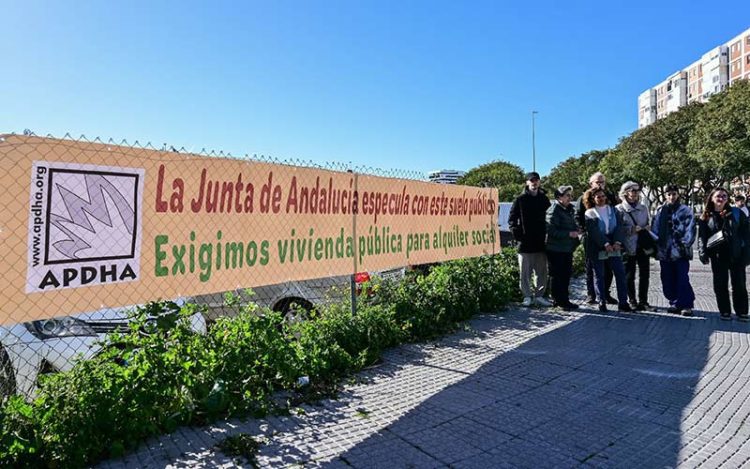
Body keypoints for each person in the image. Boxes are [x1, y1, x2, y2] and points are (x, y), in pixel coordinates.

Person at [697, 188, 750, 321]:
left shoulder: (736, 213)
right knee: (720, 284)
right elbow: (702, 237)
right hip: (718, 255)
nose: (721, 198)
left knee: (739, 284)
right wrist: (703, 253)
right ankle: (725, 311)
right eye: (718, 196)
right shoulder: (705, 216)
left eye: (724, 196)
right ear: (712, 198)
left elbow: (746, 233)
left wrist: (747, 253)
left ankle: (742, 312)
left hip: (736, 253)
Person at [583, 187, 631, 312]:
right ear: (593, 199)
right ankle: (601, 301)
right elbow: (593, 231)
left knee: (620, 273)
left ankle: (623, 302)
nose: (601, 199)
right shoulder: (590, 213)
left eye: (603, 196)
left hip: (614, 244)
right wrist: (605, 244)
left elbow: (619, 227)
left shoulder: (613, 210)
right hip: (597, 246)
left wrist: (617, 242)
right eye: (598, 197)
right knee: (599, 275)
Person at [651, 185, 696, 316]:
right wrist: (656, 243)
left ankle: (686, 304)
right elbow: (655, 227)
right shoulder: (660, 210)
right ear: (665, 195)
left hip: (680, 251)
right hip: (664, 251)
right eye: (669, 194)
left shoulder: (685, 210)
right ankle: (674, 302)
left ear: (678, 195)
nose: (672, 196)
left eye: (674, 194)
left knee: (682, 278)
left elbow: (691, 228)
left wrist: (685, 243)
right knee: (667, 278)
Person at [509, 171, 552, 306]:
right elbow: (512, 220)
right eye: (531, 180)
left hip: (541, 241)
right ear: (527, 183)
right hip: (525, 243)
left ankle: (539, 296)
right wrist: (518, 236)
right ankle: (527, 296)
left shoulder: (544, 199)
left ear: (539, 182)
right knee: (525, 272)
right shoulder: (520, 199)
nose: (534, 183)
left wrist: (547, 234)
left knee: (541, 271)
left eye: (536, 180)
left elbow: (550, 217)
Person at [576, 172, 619, 305]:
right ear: (591, 184)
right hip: (591, 237)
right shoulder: (583, 198)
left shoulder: (610, 196)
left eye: (602, 182)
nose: (600, 184)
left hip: (609, 236)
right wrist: (583, 230)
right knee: (591, 267)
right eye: (597, 182)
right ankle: (591, 294)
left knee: (608, 267)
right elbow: (578, 217)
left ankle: (605, 293)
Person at [615, 181, 653, 311]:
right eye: (632, 190)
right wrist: (631, 229)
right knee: (629, 275)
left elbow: (648, 222)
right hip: (628, 246)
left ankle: (644, 300)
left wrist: (647, 227)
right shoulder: (619, 209)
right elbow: (617, 229)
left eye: (637, 190)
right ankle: (632, 300)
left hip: (642, 245)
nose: (635, 193)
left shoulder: (643, 208)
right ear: (625, 193)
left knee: (645, 274)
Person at [545, 185, 580, 311]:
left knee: (566, 274)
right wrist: (568, 234)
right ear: (559, 197)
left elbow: (570, 224)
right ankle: (558, 300)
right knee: (557, 275)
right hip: (555, 249)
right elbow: (550, 230)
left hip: (567, 248)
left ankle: (565, 299)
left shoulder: (569, 209)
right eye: (567, 195)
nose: (570, 198)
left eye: (570, 195)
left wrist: (576, 230)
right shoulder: (554, 209)